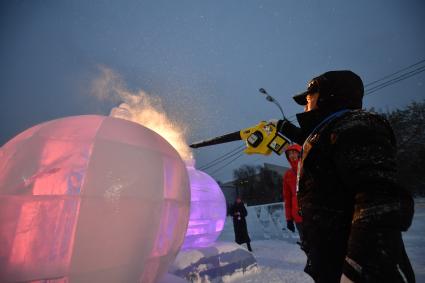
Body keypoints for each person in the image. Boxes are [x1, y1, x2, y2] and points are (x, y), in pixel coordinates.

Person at [276, 70, 415, 282]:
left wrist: (357, 269)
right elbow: (321, 145)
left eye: (308, 98)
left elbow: (379, 201)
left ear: (328, 97)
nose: (305, 106)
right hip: (332, 260)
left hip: (359, 269)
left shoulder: (357, 127)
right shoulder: (336, 130)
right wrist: (282, 128)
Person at [283, 144, 303, 240]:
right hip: (298, 217)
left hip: (313, 214)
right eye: (290, 154)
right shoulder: (288, 174)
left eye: (295, 153)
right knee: (306, 244)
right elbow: (287, 198)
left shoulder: (308, 169)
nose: (292, 155)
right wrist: (289, 219)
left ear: (300, 154)